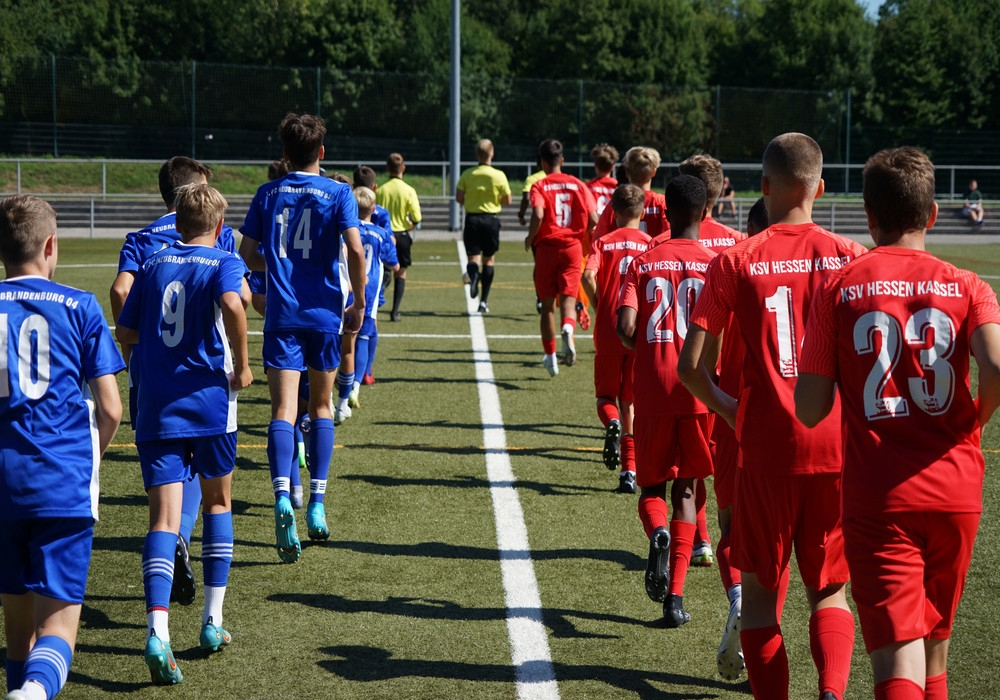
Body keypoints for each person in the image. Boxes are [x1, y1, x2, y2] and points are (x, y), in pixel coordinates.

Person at [796, 146, 1000, 700]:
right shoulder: (969, 284)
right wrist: (974, 421)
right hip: (958, 487)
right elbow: (998, 365)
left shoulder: (838, 286)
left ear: (869, 216)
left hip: (881, 494)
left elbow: (810, 408)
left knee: (894, 657)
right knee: (936, 643)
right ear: (932, 215)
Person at [678, 132, 868, 700]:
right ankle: (832, 691)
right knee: (831, 591)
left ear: (763, 186)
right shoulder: (852, 257)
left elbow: (691, 368)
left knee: (760, 596)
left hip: (764, 447)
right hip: (834, 446)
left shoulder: (735, 260)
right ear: (821, 188)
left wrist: (733, 412)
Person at [116, 184, 252, 685]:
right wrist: (242, 365)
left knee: (163, 518)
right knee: (218, 503)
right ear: (220, 227)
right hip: (210, 401)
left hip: (156, 402)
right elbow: (235, 307)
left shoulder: (151, 265)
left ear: (176, 225)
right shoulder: (222, 260)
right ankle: (212, 622)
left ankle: (158, 630)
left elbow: (126, 329)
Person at [0, 195, 124, 700]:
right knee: (59, 628)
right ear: (51, 245)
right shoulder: (80, 305)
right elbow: (111, 408)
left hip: (4, 482)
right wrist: (93, 457)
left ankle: (21, 688)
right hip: (63, 479)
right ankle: (32, 693)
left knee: (16, 630)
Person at [109, 155, 237, 609]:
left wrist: (139, 350)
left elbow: (121, 294)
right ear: (197, 191)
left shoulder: (143, 240)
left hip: (154, 372)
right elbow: (235, 299)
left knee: (167, 478)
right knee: (213, 490)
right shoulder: (220, 240)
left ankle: (171, 557)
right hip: (204, 380)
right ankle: (195, 567)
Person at [240, 113, 366, 562]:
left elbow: (247, 254)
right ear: (323, 153)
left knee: (283, 409)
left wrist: (277, 266)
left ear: (285, 154)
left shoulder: (268, 193)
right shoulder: (339, 192)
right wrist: (359, 303)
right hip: (324, 315)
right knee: (321, 407)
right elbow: (354, 248)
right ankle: (315, 502)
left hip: (282, 314)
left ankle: (279, 495)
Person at [617, 175, 718, 628]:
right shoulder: (718, 264)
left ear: (664, 213)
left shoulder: (644, 260)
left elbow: (624, 326)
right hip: (699, 390)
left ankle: (655, 531)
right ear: (705, 211)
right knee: (690, 491)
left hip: (654, 388)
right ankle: (675, 599)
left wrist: (654, 349)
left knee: (653, 487)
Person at [675, 154, 750, 570]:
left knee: (691, 465)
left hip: (690, 369)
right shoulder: (741, 242)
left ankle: (702, 538)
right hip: (733, 373)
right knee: (727, 463)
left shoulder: (671, 241)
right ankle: (725, 545)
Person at [712, 194, 771, 683]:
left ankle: (738, 601)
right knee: (824, 581)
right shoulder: (827, 265)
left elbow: (695, 360)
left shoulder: (733, 265)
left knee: (732, 531)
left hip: (736, 414)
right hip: (808, 424)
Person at [580, 184, 650, 493]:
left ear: (613, 212)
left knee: (605, 399)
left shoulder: (603, 242)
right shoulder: (651, 243)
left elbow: (587, 276)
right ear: (643, 212)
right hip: (637, 330)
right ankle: (629, 473)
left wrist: (600, 304)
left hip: (609, 329)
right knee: (630, 402)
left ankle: (610, 422)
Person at [525, 138, 598, 376]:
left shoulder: (539, 185)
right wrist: (585, 235)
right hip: (573, 247)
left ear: (543, 162)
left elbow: (538, 212)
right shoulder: (578, 184)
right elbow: (594, 219)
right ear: (562, 160)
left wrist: (530, 237)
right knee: (568, 300)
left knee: (547, 306)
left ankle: (550, 357)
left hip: (547, 247)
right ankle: (568, 328)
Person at [333, 186, 399, 423]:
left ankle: (328, 399)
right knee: (355, 343)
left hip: (341, 288)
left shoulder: (343, 231)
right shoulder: (381, 233)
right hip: (366, 293)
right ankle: (350, 394)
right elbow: (394, 264)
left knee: (332, 345)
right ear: (374, 208)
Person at [456, 139, 513, 314]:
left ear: (476, 155)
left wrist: (472, 201)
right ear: (492, 154)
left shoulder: (468, 174)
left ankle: (473, 277)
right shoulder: (499, 175)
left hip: (472, 219)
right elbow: (508, 200)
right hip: (491, 220)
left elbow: (459, 197)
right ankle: (484, 302)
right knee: (489, 259)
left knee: (473, 258)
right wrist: (497, 200)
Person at [353, 165, 391, 385]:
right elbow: (389, 241)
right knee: (370, 323)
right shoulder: (381, 213)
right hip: (373, 275)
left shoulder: (346, 207)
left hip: (348, 274)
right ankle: (364, 371)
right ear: (374, 187)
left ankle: (347, 370)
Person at [376, 153, 421, 322]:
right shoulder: (409, 190)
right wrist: (410, 226)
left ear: (387, 168)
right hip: (401, 235)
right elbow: (416, 217)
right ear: (403, 168)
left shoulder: (380, 190)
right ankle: (395, 312)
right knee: (400, 273)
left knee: (382, 270)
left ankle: (377, 298)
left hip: (383, 235)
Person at [592, 146, 668, 240]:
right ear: (654, 172)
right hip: (655, 254)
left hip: (621, 254)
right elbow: (670, 235)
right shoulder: (661, 202)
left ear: (627, 172)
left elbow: (598, 238)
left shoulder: (616, 202)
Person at [587, 144, 620, 216]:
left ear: (595, 166)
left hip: (596, 226)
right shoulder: (619, 187)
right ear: (613, 168)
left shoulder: (587, 188)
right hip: (613, 226)